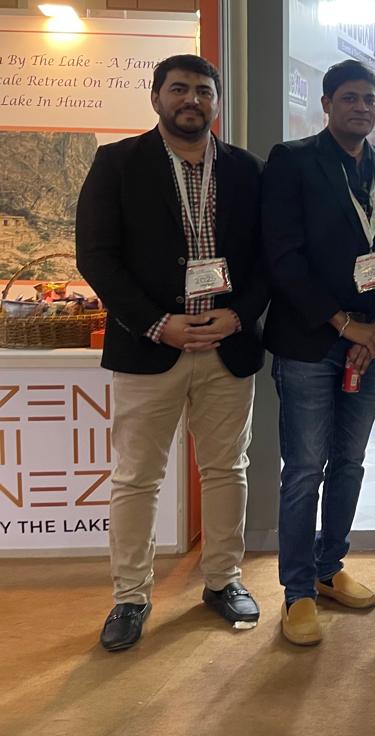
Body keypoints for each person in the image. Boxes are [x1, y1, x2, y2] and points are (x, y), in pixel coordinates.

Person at [76, 54, 269, 652]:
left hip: (227, 343)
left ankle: (223, 579)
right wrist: (159, 324)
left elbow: (270, 257)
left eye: (203, 91)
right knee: (137, 477)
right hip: (149, 345)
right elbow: (96, 255)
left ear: (217, 102)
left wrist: (239, 314)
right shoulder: (118, 163)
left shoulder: (247, 170)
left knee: (227, 468)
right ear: (156, 96)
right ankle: (130, 597)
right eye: (179, 89)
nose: (192, 100)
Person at [261, 59, 375, 646]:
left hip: (370, 345)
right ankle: (297, 591)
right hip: (310, 340)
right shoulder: (293, 161)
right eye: (350, 97)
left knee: (350, 462)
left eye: (370, 99)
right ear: (326, 104)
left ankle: (330, 568)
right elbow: (283, 256)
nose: (361, 107)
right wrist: (343, 324)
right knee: (304, 469)